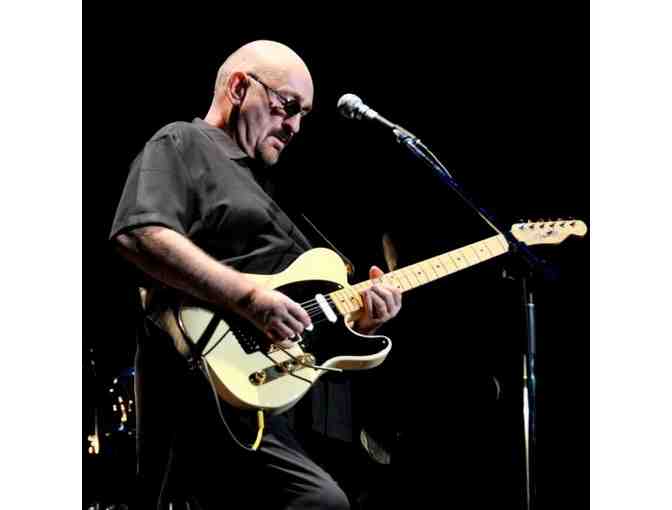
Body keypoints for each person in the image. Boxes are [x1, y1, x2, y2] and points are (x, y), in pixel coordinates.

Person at [110, 40, 402, 510]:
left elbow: (303, 310)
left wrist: (360, 321)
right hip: (206, 382)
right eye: (288, 106)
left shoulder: (271, 186)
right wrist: (247, 297)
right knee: (320, 502)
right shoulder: (182, 142)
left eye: (304, 114)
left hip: (280, 400)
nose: (295, 126)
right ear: (239, 88)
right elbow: (140, 234)